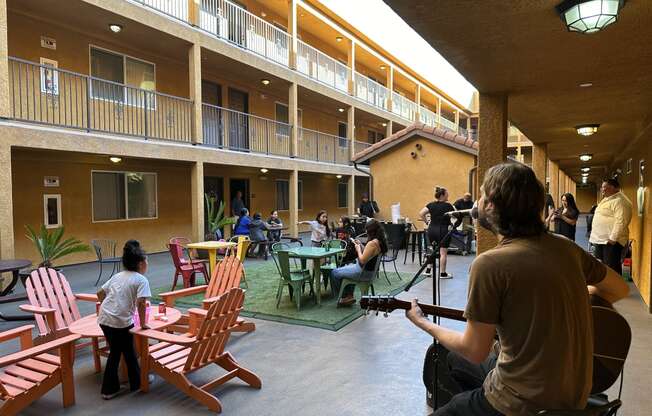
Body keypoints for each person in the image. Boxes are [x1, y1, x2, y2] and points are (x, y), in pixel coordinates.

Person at [406, 163, 629, 416]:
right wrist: (575, 297)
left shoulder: (489, 264)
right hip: (573, 398)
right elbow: (619, 289)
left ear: (490, 206)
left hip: (520, 403)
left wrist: (423, 322)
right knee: (447, 354)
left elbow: (474, 350)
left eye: (482, 194)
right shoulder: (566, 248)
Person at [96, 240, 152, 400]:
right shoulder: (141, 280)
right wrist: (143, 324)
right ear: (141, 263)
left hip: (105, 318)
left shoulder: (117, 276)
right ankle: (109, 389)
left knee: (127, 351)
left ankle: (137, 382)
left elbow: (100, 293)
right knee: (118, 352)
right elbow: (141, 303)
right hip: (120, 322)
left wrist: (108, 306)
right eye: (146, 260)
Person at [330, 219, 388, 306]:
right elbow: (368, 253)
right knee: (346, 268)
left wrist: (358, 249)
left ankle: (344, 297)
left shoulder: (372, 243)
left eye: (366, 229)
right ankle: (349, 296)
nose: (365, 231)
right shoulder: (379, 241)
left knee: (334, 272)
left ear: (370, 231)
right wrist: (360, 245)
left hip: (363, 272)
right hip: (370, 272)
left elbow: (362, 260)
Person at [590, 178, 633, 275]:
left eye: (606, 187)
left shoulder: (620, 201)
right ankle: (605, 288)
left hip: (611, 241)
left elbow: (621, 221)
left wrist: (613, 238)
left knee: (611, 269)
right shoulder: (608, 199)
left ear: (615, 188)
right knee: (602, 267)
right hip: (601, 240)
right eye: (602, 187)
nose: (603, 189)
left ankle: (615, 289)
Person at [419, 186, 455, 279]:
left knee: (432, 250)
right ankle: (443, 274)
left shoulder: (431, 205)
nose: (448, 195)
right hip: (443, 230)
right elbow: (455, 216)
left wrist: (426, 222)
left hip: (431, 230)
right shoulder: (448, 206)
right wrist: (451, 224)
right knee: (443, 253)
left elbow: (421, 213)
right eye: (447, 194)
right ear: (442, 195)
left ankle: (428, 270)